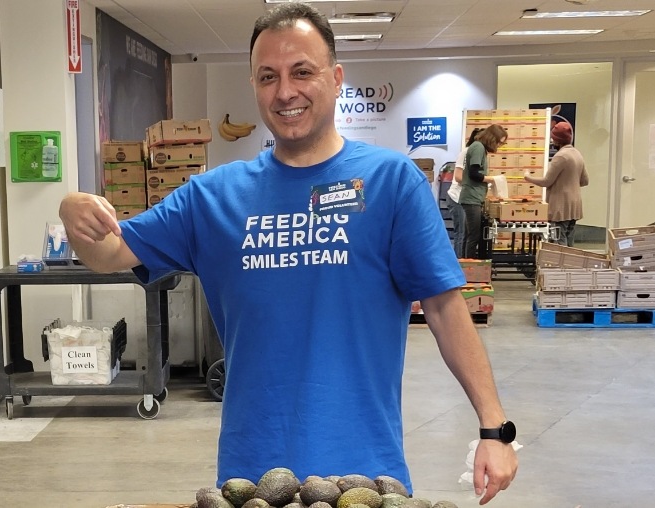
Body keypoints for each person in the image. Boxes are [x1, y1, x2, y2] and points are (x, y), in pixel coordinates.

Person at [59, 3, 517, 504]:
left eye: (303, 72)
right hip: (253, 478)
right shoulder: (212, 198)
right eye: (268, 76)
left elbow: (446, 309)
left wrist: (494, 428)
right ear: (254, 85)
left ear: (336, 77)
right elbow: (106, 253)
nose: (285, 92)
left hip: (365, 473)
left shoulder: (391, 183)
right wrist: (72, 210)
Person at [524, 121, 589, 246]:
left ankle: (561, 265)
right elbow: (585, 181)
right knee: (569, 239)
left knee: (559, 240)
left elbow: (546, 182)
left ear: (556, 140)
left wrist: (528, 178)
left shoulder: (560, 156)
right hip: (575, 205)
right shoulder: (577, 154)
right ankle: (571, 264)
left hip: (561, 206)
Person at [459, 125, 508, 259]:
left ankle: (466, 265)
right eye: (499, 142)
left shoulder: (479, 148)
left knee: (470, 234)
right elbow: (474, 173)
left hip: (474, 197)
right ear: (492, 138)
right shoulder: (478, 148)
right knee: (474, 236)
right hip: (471, 198)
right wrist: (492, 179)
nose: (499, 145)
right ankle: (470, 268)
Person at [447, 128, 483, 258]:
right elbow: (458, 176)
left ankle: (465, 264)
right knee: (461, 233)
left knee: (468, 234)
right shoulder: (466, 153)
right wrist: (480, 181)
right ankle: (458, 265)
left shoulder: (479, 154)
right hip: (457, 198)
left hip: (467, 198)